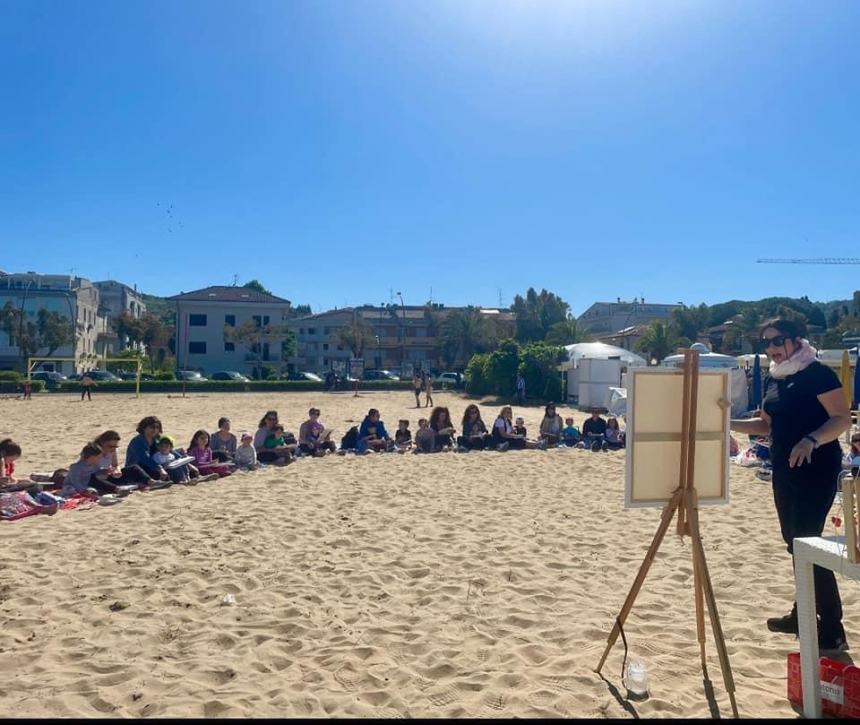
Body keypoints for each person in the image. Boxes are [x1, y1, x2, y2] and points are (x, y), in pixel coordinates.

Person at [730, 318, 850, 653]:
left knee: (807, 544)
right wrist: (724, 422)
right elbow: (763, 424)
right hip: (783, 469)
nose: (771, 347)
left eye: (777, 340)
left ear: (798, 340)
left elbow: (841, 417)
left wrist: (812, 439)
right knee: (794, 544)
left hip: (817, 469)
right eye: (764, 342)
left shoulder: (817, 373)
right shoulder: (774, 378)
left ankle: (833, 629)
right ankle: (803, 614)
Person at [92, 430, 166, 490]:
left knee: (133, 468)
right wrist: (104, 471)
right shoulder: (94, 452)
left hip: (109, 476)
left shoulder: (112, 451)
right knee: (94, 479)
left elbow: (115, 465)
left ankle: (152, 482)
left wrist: (117, 471)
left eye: (115, 446)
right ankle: (117, 489)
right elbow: (86, 471)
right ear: (102, 443)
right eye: (111, 446)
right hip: (97, 479)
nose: (113, 449)